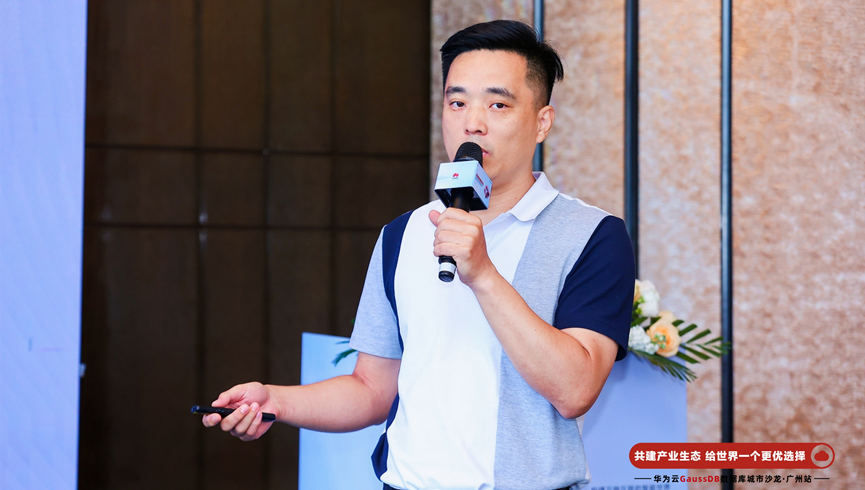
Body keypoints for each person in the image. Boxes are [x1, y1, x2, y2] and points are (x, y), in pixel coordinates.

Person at [203, 20, 635, 490]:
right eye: (457, 102)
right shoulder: (403, 233)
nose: (473, 123)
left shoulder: (592, 235)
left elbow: (575, 390)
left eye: (498, 104)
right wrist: (275, 401)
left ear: (542, 122)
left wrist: (483, 274)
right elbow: (371, 389)